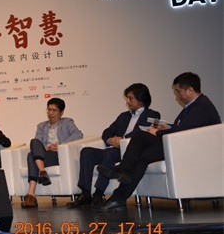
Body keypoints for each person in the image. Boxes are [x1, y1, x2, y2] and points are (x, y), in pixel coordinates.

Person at [94, 72, 221, 211]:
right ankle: (118, 198)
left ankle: (123, 170)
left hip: (190, 148)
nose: (177, 95)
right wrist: (168, 127)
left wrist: (158, 132)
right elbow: (184, 128)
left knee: (141, 136)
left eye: (178, 91)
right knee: (143, 156)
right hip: (181, 144)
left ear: (190, 90)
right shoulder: (193, 106)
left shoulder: (201, 106)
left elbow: (185, 131)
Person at [67, 83, 160, 208]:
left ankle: (98, 194)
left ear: (141, 99)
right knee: (86, 152)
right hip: (114, 149)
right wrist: (110, 140)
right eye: (127, 98)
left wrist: (123, 139)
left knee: (109, 153)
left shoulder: (153, 115)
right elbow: (107, 131)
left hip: (130, 152)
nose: (127, 101)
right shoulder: (123, 116)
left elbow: (142, 134)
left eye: (130, 98)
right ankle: (85, 194)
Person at [21, 98, 83, 208]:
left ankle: (31, 195)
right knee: (33, 143)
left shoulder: (67, 122)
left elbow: (78, 135)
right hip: (45, 154)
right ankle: (42, 173)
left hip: (59, 155)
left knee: (31, 156)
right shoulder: (41, 126)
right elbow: (38, 142)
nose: (51, 113)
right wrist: (46, 148)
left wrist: (60, 146)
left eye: (54, 110)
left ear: (61, 112)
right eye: (49, 110)